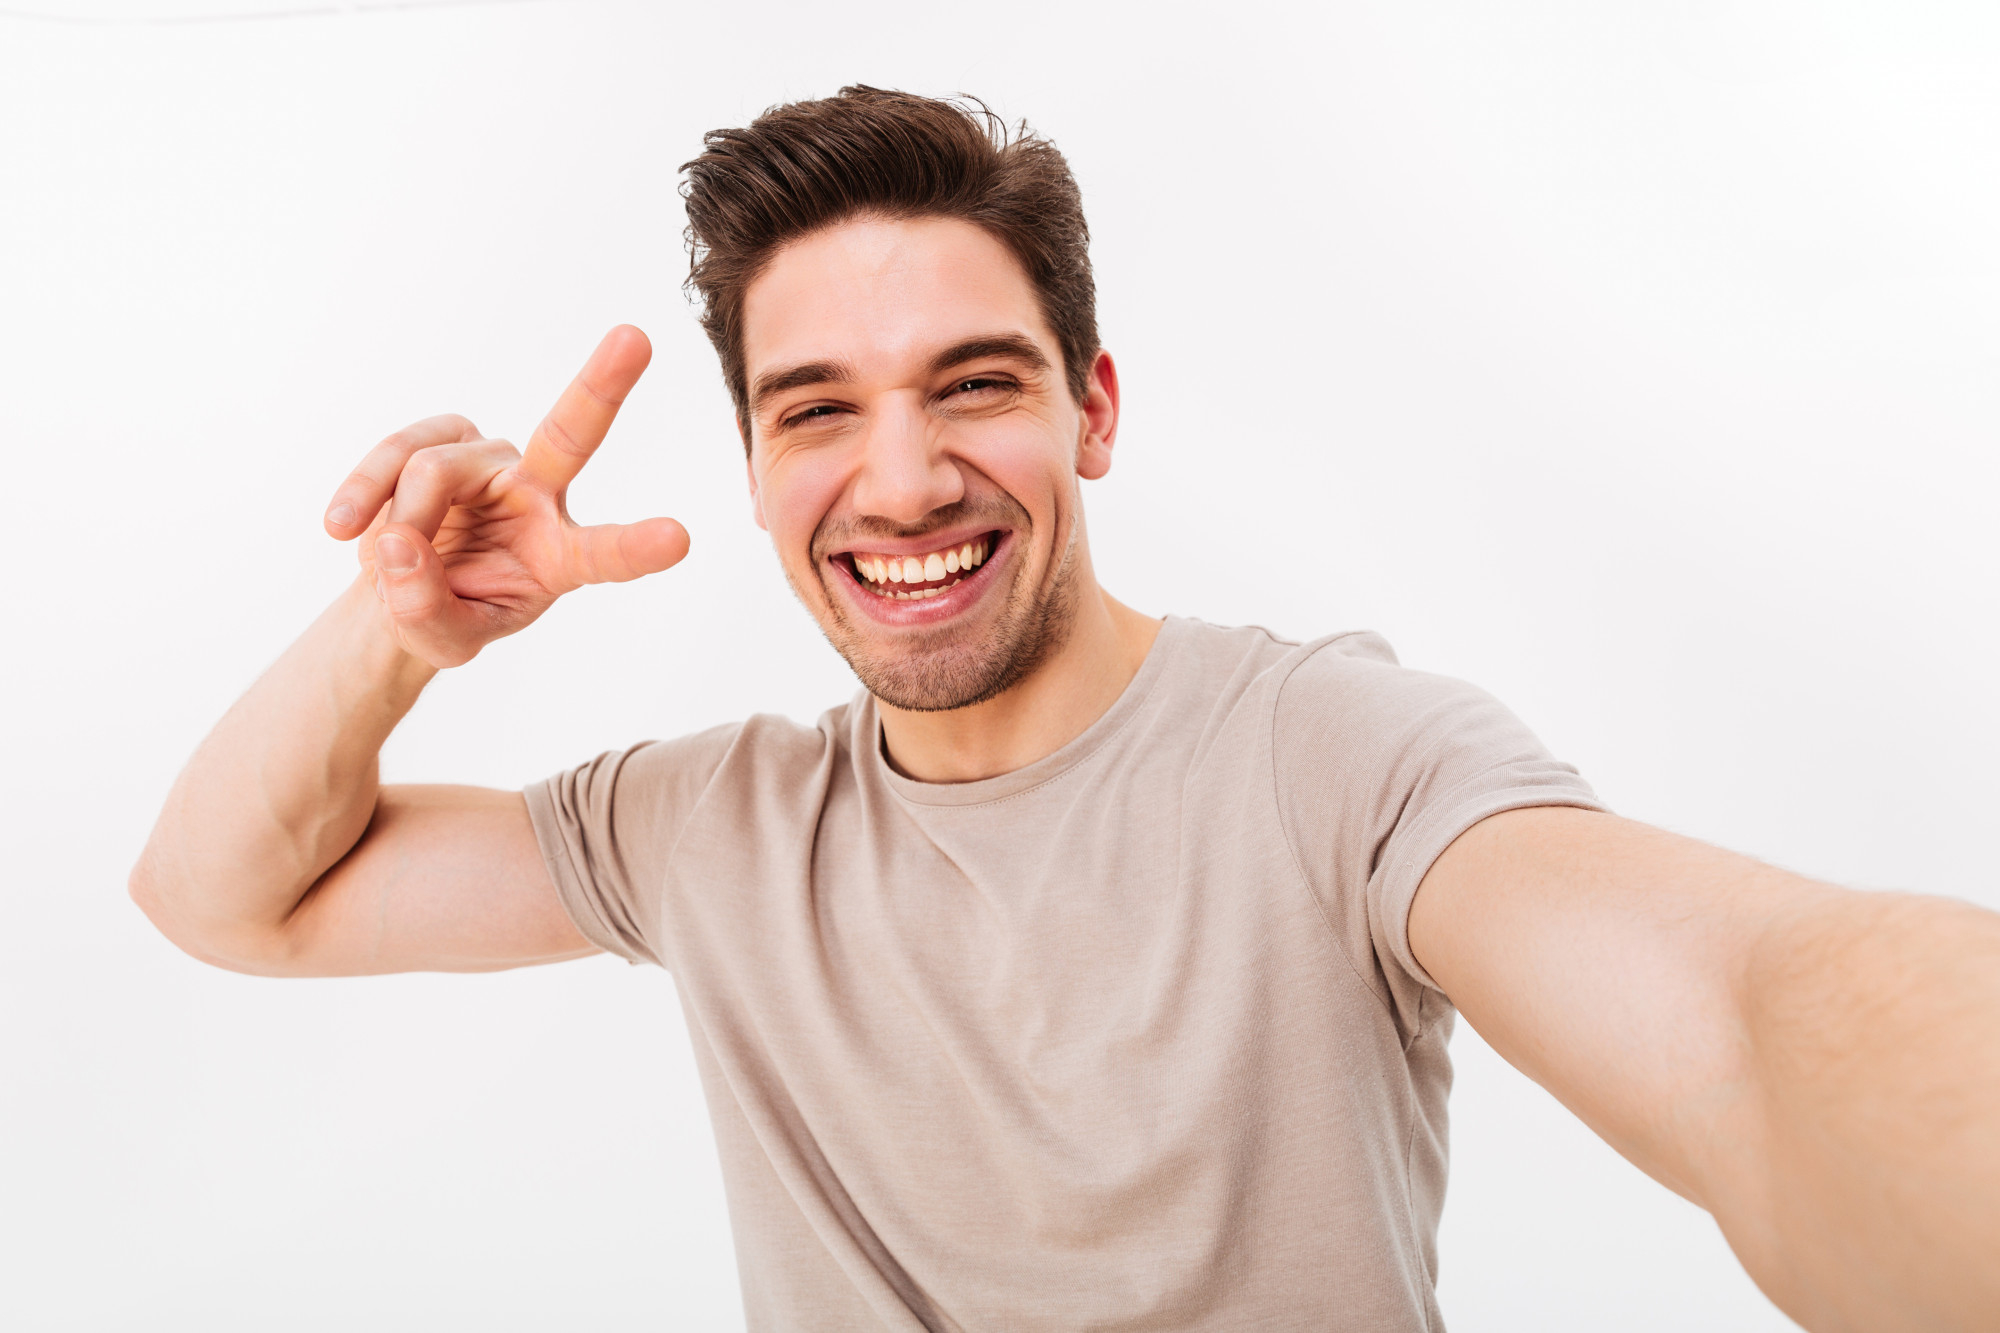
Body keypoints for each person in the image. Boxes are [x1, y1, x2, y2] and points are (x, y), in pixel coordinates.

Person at [130, 86, 1999, 1333]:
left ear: (1092, 408)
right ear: (756, 463)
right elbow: (225, 899)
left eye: (974, 384)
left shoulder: (1334, 757)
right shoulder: (708, 827)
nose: (903, 480)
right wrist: (399, 627)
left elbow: (1745, 1027)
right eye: (818, 409)